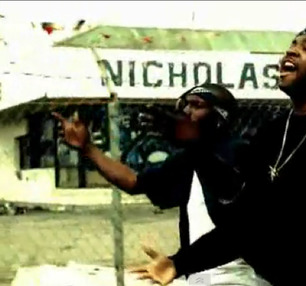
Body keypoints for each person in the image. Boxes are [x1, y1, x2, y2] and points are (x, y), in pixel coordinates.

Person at [130, 27, 306, 286]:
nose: (291, 52)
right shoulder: (271, 135)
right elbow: (247, 223)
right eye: (291, 46)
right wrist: (179, 264)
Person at [53, 83, 271, 286]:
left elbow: (237, 200)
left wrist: (194, 145)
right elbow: (134, 182)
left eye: (197, 105)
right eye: (185, 105)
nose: (187, 112)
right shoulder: (187, 159)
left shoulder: (243, 152)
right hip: (197, 274)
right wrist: (88, 149)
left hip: (244, 277)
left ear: (220, 115)